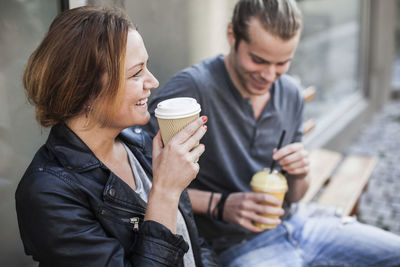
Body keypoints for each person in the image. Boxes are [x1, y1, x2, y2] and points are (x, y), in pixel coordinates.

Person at [144, 0, 400, 266]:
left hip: (302, 225)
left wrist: (300, 173)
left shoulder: (290, 93)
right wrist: (218, 205)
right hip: (237, 247)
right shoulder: (192, 89)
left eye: (282, 63)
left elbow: (295, 196)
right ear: (232, 35)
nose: (269, 75)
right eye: (258, 60)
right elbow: (142, 181)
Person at [15, 6, 220, 267]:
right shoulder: (48, 194)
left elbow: (192, 242)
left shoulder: (143, 142)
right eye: (136, 73)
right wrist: (166, 192)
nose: (153, 81)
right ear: (85, 89)